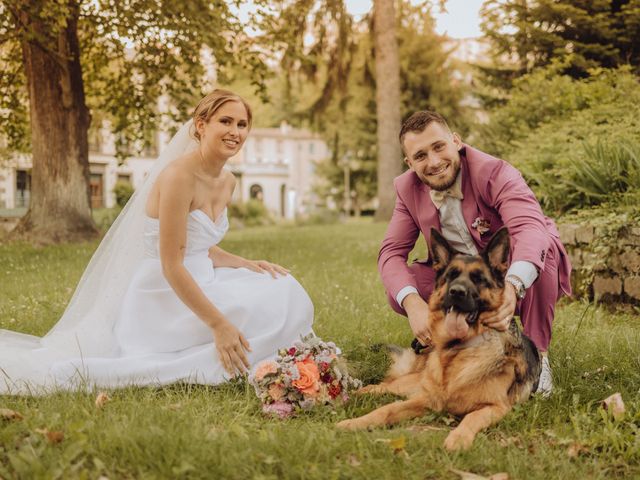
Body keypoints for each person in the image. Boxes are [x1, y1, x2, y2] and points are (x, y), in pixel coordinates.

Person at [0, 89, 314, 394]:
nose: (235, 131)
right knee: (255, 310)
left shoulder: (228, 180)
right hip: (164, 292)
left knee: (282, 287)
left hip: (203, 276)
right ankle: (238, 352)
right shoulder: (179, 176)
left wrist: (245, 264)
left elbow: (196, 242)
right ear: (201, 125)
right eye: (225, 121)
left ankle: (270, 356)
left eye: (241, 124)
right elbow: (172, 262)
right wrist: (219, 325)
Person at [378, 110, 571, 396]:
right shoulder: (408, 188)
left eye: (439, 147)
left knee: (545, 250)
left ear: (456, 141)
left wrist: (513, 286)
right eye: (420, 156)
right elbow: (392, 252)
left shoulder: (495, 172)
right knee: (406, 288)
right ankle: (463, 341)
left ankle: (538, 356)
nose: (433, 162)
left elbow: (528, 228)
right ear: (409, 163)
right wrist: (412, 304)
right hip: (465, 279)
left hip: (509, 270)